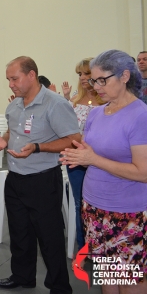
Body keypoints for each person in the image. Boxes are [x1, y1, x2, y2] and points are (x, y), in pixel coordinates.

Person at [0, 56, 80, 293]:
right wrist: (3, 139)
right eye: (8, 79)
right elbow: (12, 131)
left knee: (49, 237)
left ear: (31, 75)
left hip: (42, 179)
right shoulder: (15, 104)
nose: (10, 84)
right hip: (15, 177)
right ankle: (23, 276)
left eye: (14, 78)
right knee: (20, 232)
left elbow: (74, 140)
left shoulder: (54, 103)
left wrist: (38, 147)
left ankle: (59, 286)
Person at [61, 50, 147, 294]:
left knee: (130, 280)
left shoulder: (140, 115)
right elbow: (93, 155)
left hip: (128, 214)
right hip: (95, 208)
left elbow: (143, 172)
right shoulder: (97, 113)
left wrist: (92, 159)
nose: (95, 86)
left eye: (102, 80)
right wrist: (80, 157)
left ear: (124, 76)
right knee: (108, 275)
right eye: (92, 80)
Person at [59, 58, 104, 253]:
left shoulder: (107, 102)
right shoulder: (75, 102)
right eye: (80, 74)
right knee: (79, 203)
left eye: (87, 73)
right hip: (76, 159)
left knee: (100, 204)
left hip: (101, 160)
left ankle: (102, 246)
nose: (84, 78)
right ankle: (83, 247)